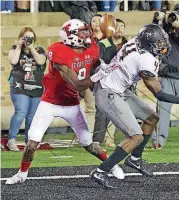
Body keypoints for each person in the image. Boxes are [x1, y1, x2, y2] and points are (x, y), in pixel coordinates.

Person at [5, 19, 124, 185]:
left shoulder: (92, 48)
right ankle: (21, 173)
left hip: (72, 104)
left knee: (88, 144)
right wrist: (100, 74)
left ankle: (111, 165)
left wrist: (109, 65)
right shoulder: (58, 50)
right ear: (70, 36)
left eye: (85, 31)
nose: (86, 34)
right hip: (50, 103)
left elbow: (100, 63)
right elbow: (76, 83)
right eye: (82, 32)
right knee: (32, 143)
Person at [89, 24, 179, 188]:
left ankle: (135, 159)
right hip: (108, 92)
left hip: (118, 87)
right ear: (149, 43)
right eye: (159, 43)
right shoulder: (145, 59)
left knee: (152, 118)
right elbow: (159, 94)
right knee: (135, 137)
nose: (163, 46)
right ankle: (101, 171)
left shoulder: (136, 41)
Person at [7, 27, 46, 152]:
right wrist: (19, 46)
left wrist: (31, 48)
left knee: (32, 116)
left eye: (30, 38)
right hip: (19, 86)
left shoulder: (39, 50)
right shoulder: (14, 48)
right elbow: (12, 60)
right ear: (21, 37)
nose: (28, 40)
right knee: (21, 112)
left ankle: (29, 140)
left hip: (36, 86)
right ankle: (11, 139)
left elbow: (41, 61)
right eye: (25, 37)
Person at [93, 19, 128, 147]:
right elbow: (99, 61)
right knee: (102, 112)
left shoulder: (128, 44)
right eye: (116, 26)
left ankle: (126, 138)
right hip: (105, 82)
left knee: (123, 112)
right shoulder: (103, 43)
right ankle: (97, 140)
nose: (119, 28)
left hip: (123, 83)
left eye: (122, 26)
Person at [151, 9, 179, 148]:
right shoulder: (165, 33)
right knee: (163, 110)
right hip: (167, 76)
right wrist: (159, 20)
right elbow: (154, 37)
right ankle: (158, 141)